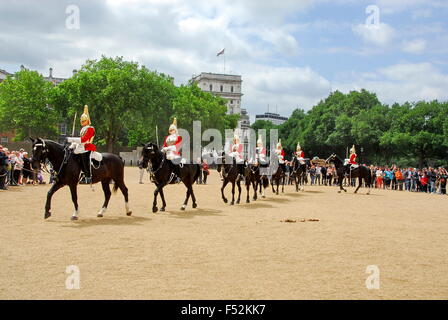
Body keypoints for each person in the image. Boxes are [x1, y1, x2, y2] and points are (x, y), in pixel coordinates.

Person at [67, 105, 97, 183]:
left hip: (87, 146)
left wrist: (71, 139)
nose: (82, 122)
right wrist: (72, 145)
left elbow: (84, 140)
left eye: (83, 121)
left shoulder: (90, 128)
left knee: (84, 158)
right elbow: (79, 140)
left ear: (87, 121)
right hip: (81, 146)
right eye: (81, 121)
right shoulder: (82, 129)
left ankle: (87, 176)